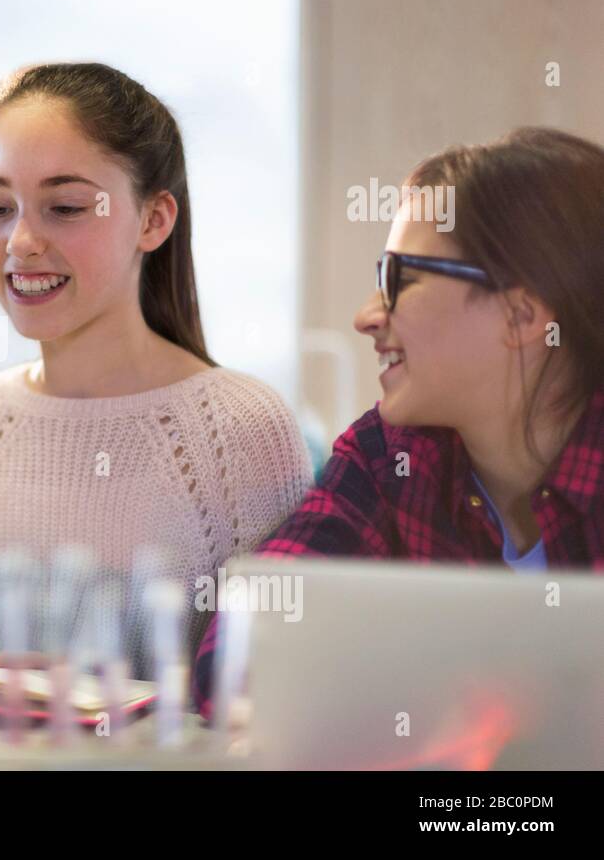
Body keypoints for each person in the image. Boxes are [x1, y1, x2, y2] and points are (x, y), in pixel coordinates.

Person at [0, 62, 312, 677]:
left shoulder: (245, 430)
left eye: (65, 207)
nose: (20, 241)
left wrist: (113, 695)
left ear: (154, 220)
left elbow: (277, 666)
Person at [191, 126, 604, 716]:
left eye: (399, 280)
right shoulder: (391, 456)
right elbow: (242, 649)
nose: (366, 317)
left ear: (520, 314)